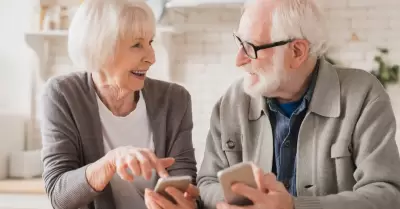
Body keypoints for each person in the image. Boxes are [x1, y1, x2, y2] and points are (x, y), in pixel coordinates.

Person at [197, 0, 400, 209]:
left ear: (297, 52)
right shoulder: (231, 102)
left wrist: (294, 207)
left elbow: (386, 194)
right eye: (239, 42)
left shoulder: (363, 95)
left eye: (251, 47)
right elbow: (206, 184)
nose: (238, 60)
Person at [39, 1, 198, 209]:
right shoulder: (63, 95)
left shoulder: (175, 99)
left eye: (151, 42)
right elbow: (60, 196)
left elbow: (185, 182)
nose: (152, 58)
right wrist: (111, 161)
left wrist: (187, 202)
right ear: (100, 48)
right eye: (137, 44)